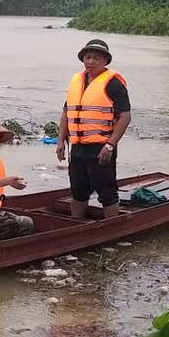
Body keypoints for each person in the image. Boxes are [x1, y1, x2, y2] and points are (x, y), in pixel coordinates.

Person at [56, 39, 132, 219]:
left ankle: (112, 228)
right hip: (78, 147)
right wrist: (60, 140)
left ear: (105, 60)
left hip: (101, 147)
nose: (90, 61)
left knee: (106, 190)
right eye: (87, 57)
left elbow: (125, 117)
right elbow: (67, 112)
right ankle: (76, 224)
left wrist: (110, 145)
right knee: (78, 189)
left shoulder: (113, 83)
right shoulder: (77, 81)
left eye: (96, 58)